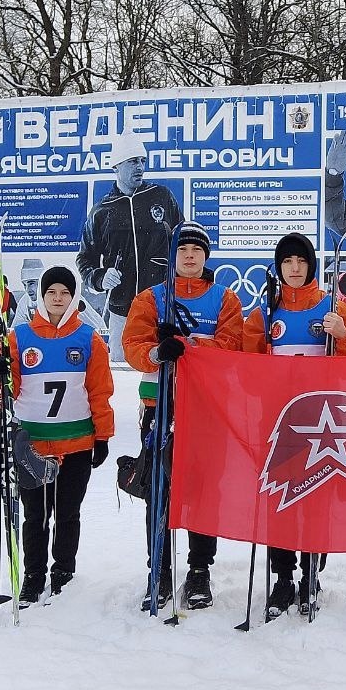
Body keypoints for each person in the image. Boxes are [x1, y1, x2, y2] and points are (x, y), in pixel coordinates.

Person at [242, 233, 346, 619]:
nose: (294, 269)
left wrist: (344, 336)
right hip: (279, 424)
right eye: (287, 263)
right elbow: (245, 369)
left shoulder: (331, 306)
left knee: (315, 500)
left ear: (311, 266)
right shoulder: (265, 311)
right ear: (279, 268)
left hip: (321, 425)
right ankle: (282, 577)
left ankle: (312, 573)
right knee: (279, 499)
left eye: (300, 261)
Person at [122, 223, 243, 612]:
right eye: (182, 250)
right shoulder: (151, 298)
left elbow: (231, 347)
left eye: (197, 249)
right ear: (172, 257)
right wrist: (159, 351)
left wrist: (188, 344)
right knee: (158, 490)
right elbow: (133, 346)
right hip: (160, 405)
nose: (189, 256)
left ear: (206, 257)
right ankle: (157, 571)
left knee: (205, 492)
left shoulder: (225, 299)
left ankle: (199, 572)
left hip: (207, 408)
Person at [0, 266, 115, 607]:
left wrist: (103, 436)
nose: (58, 299)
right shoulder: (19, 337)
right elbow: (5, 391)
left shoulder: (89, 339)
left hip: (77, 444)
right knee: (35, 515)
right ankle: (32, 576)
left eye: (65, 293)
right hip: (33, 446)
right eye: (52, 292)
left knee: (68, 514)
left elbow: (100, 392)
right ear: (41, 297)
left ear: (74, 298)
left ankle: (63, 575)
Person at [78, 132, 184, 361]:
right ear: (116, 165)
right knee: (122, 376)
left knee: (163, 373)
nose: (140, 167)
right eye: (133, 161)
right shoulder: (102, 211)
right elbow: (84, 259)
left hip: (162, 309)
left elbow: (184, 242)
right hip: (121, 312)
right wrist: (99, 277)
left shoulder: (161, 197)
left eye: (142, 161)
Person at [12, 256, 107, 332]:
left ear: (42, 282)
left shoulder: (70, 298)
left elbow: (97, 326)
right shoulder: (25, 302)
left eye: (31, 283)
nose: (28, 290)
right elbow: (15, 331)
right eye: (24, 285)